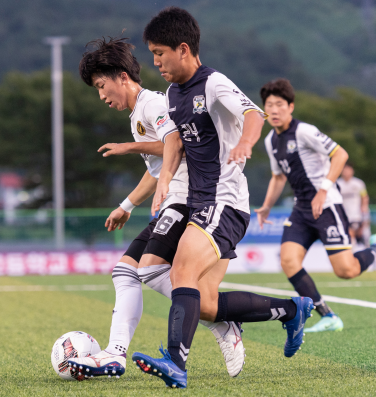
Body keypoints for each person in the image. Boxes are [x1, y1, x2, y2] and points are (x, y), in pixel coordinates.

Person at [132, 8, 314, 389]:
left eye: (160, 53)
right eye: (153, 54)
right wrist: (164, 177)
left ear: (183, 49)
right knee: (207, 302)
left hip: (224, 202)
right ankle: (291, 309)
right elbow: (176, 141)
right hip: (201, 204)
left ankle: (176, 362)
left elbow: (253, 114)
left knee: (180, 268)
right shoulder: (172, 94)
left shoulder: (212, 83)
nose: (156, 62)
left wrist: (246, 144)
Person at [67, 36, 246, 380]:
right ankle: (114, 355)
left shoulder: (152, 103)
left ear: (122, 76)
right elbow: (156, 168)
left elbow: (173, 144)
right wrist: (126, 205)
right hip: (174, 197)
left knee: (148, 270)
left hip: (187, 197)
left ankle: (218, 322)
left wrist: (130, 150)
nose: (101, 96)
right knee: (125, 271)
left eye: (102, 86)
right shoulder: (137, 115)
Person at [254, 78, 376, 334]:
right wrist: (267, 206)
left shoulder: (304, 131)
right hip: (302, 210)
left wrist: (323, 190)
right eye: (269, 105)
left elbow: (341, 154)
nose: (274, 110)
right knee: (289, 261)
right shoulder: (270, 141)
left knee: (346, 271)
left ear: (291, 107)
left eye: (280, 104)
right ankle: (329, 315)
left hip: (327, 206)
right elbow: (278, 176)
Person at [338, 164, 371, 248]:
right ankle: (352, 255)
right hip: (344, 215)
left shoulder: (358, 183)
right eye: (344, 170)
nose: (346, 172)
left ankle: (370, 254)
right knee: (349, 235)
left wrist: (364, 209)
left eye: (348, 170)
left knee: (365, 236)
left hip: (357, 215)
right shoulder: (338, 183)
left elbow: (364, 197)